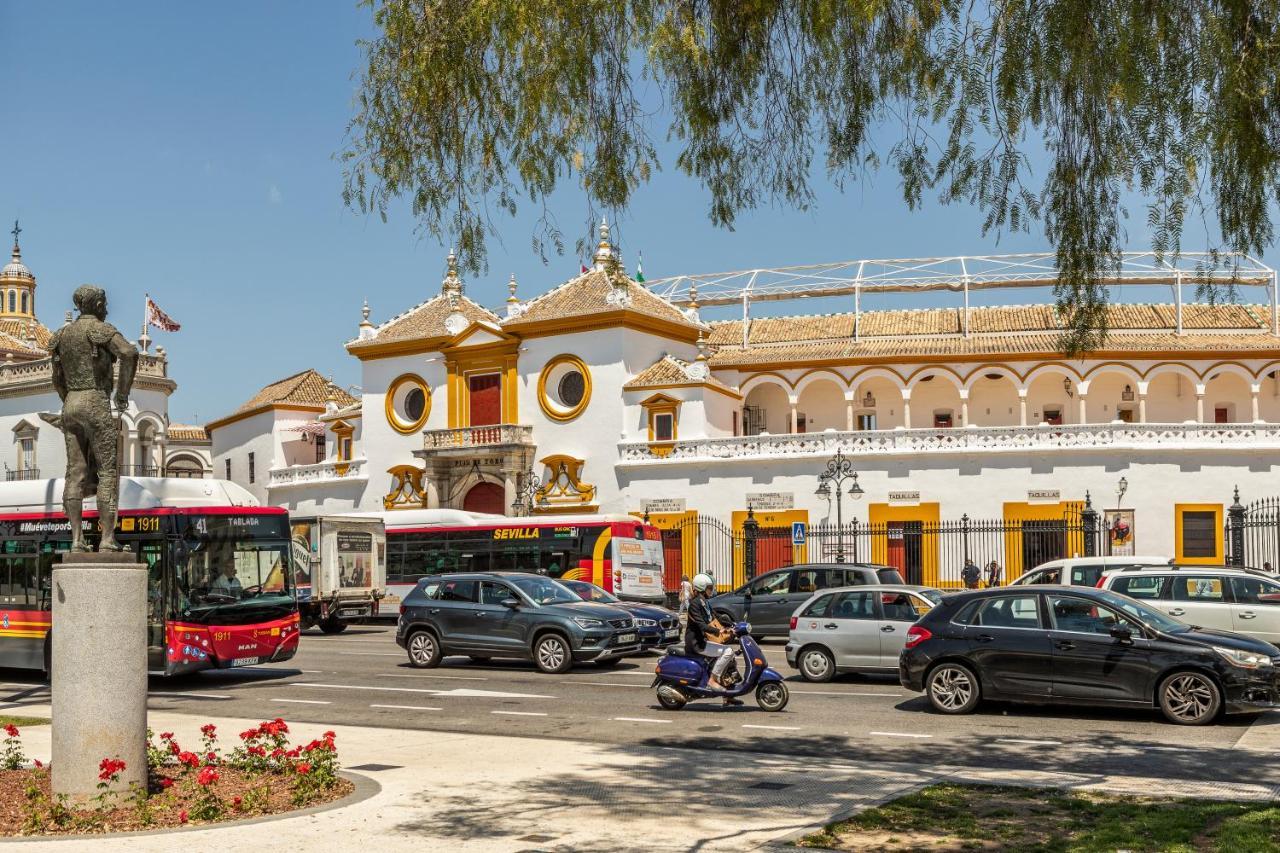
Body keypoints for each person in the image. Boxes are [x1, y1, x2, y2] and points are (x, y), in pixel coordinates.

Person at [684, 573, 741, 705]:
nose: (711, 590)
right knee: (727, 652)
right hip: (697, 643)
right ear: (701, 588)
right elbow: (702, 625)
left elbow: (718, 617)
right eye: (709, 588)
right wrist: (719, 630)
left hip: (704, 640)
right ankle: (712, 680)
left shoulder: (705, 603)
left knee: (730, 659)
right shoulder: (694, 605)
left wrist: (733, 625)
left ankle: (728, 695)